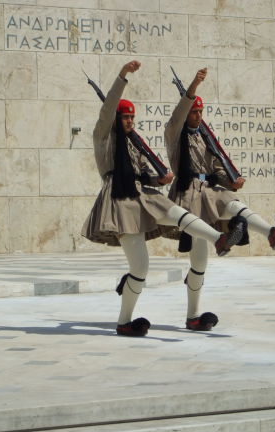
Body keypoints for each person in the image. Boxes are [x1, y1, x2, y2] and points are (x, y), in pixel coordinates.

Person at [81, 61, 244, 337]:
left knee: (181, 215)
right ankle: (124, 322)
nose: (129, 122)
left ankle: (220, 240)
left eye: (132, 118)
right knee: (140, 268)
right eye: (125, 118)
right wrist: (122, 76)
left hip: (142, 195)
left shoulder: (133, 144)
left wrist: (157, 179)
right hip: (120, 200)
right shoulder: (104, 137)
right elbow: (108, 108)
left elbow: (144, 173)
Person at [164, 67, 275, 332]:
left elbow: (216, 166)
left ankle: (271, 233)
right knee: (199, 263)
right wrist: (193, 86)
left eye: (200, 112)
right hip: (188, 193)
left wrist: (230, 180)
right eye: (193, 112)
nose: (197, 116)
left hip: (211, 190)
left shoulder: (204, 139)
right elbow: (178, 115)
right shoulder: (173, 134)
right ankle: (193, 316)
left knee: (235, 204)